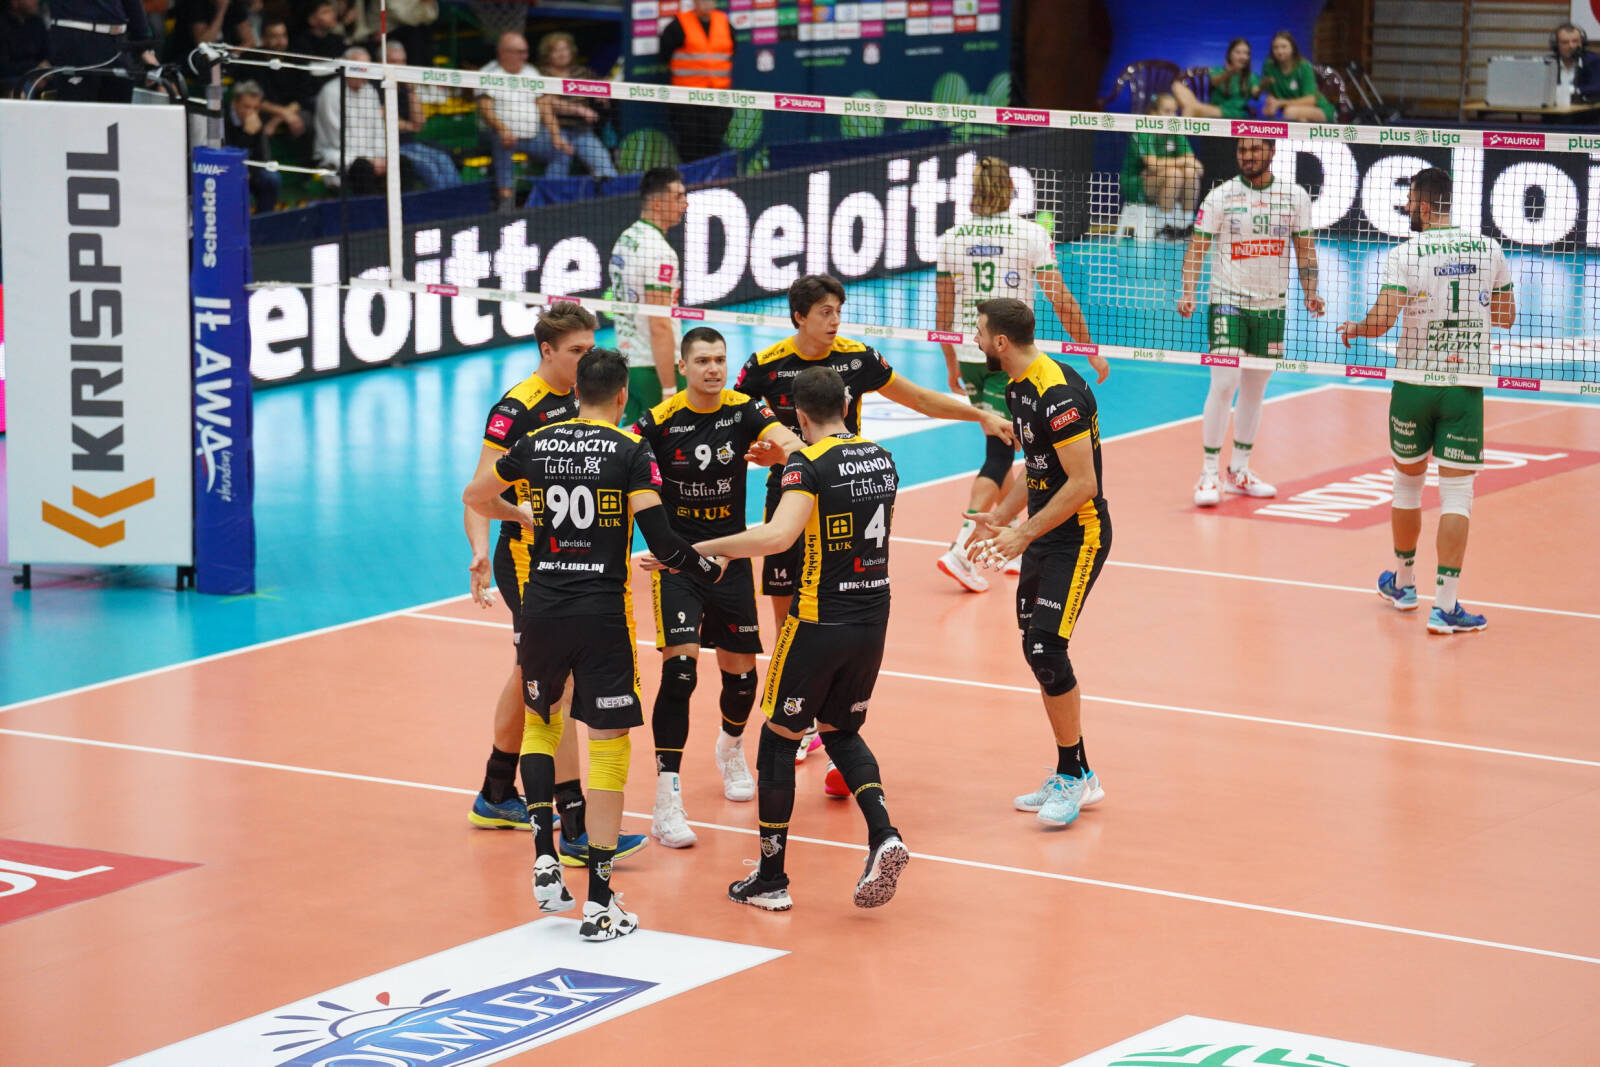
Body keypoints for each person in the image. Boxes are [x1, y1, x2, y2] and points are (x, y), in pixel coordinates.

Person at [463, 347, 727, 941]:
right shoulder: (631, 450)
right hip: (601, 615)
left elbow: (475, 495)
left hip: (542, 608)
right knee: (608, 746)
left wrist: (520, 515)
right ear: (622, 397)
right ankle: (601, 903)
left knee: (543, 722)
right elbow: (661, 538)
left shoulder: (536, 443)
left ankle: (544, 857)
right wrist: (704, 568)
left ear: (576, 391)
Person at [734, 274, 1014, 768]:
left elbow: (919, 398)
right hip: (789, 493)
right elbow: (740, 424)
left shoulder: (857, 357)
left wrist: (980, 416)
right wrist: (761, 452)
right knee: (786, 611)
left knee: (840, 608)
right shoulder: (765, 366)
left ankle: (835, 725)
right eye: (825, 312)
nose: (835, 321)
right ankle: (798, 715)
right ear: (799, 316)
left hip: (845, 495)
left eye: (838, 311)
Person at [673, 366, 908, 912]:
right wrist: (788, 460)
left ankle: (771, 879)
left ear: (798, 415)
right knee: (840, 730)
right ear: (846, 405)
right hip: (873, 617)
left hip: (818, 620)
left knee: (778, 740)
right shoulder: (881, 457)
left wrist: (700, 549)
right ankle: (884, 835)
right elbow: (836, 472)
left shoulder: (807, 466)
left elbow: (779, 535)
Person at [461, 302, 647, 867]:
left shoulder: (588, 396)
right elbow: (479, 488)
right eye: (576, 350)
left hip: (578, 565)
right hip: (530, 565)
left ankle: (497, 792)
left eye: (591, 348)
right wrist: (483, 547)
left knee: (530, 675)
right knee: (554, 688)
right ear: (547, 351)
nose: (587, 357)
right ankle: (573, 824)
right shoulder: (518, 408)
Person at [631, 327, 804, 847]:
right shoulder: (659, 421)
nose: (713, 368)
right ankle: (667, 799)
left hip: (731, 557)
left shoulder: (743, 409)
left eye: (720, 360)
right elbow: (620, 461)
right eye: (703, 360)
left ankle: (730, 747)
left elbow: (792, 442)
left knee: (743, 680)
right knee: (680, 674)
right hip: (679, 564)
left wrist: (786, 455)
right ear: (683, 367)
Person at [1339, 168, 1515, 635]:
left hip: (1413, 386)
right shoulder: (1489, 249)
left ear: (1423, 204)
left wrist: (1356, 328)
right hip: (1463, 387)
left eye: (1409, 203)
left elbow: (1381, 322)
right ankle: (1446, 606)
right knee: (1457, 496)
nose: (1406, 210)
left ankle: (1403, 585)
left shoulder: (1405, 254)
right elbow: (1505, 316)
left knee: (1407, 487)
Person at [965, 298, 1110, 829]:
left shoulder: (1056, 392)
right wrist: (1000, 518)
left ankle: (1073, 776)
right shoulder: (1016, 386)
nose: (975, 339)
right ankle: (1078, 771)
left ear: (1001, 342)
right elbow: (1036, 467)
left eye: (980, 331)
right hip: (1045, 533)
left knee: (1048, 648)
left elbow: (1083, 483)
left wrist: (1022, 534)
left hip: (1079, 535)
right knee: (1036, 649)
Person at [935, 156, 1105, 595]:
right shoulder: (1030, 234)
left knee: (1011, 448)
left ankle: (1004, 538)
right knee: (1000, 453)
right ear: (1011, 190)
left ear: (974, 190)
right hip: (1010, 356)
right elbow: (1060, 298)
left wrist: (951, 364)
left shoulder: (952, 238)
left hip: (974, 353)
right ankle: (960, 550)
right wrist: (1090, 349)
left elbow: (943, 312)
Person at [1178, 137, 1323, 506]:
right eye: (1242, 150)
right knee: (1225, 382)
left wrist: (1311, 291)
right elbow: (1197, 247)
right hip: (1228, 301)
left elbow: (1305, 250)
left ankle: (1239, 470)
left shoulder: (1294, 197)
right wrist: (1188, 290)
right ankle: (1209, 472)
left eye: (1256, 150)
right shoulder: (1221, 196)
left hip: (1272, 306)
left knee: (1256, 389)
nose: (1248, 156)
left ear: (1272, 152)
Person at [610, 167, 689, 427]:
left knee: (632, 442)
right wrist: (669, 388)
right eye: (678, 197)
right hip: (655, 368)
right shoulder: (660, 253)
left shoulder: (625, 239)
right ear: (657, 203)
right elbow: (659, 324)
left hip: (627, 364)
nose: (685, 203)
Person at [477, 31, 572, 211]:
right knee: (502, 142)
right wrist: (502, 129)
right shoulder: (489, 73)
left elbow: (544, 106)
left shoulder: (531, 72)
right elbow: (485, 109)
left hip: (533, 135)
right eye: (520, 52)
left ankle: (550, 198)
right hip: (498, 133)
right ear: (503, 53)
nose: (525, 57)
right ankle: (505, 202)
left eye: (526, 52)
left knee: (562, 150)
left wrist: (556, 136)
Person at [536, 31, 619, 180]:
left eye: (565, 49)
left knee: (605, 166)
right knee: (560, 159)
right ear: (547, 54)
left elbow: (600, 85)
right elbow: (547, 101)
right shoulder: (540, 74)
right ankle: (553, 194)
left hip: (582, 131)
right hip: (553, 130)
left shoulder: (582, 72)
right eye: (556, 50)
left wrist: (601, 94)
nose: (562, 54)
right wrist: (579, 110)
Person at [1120, 93, 1204, 236]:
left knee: (1190, 173)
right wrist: (1181, 162)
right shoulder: (1143, 132)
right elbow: (1153, 165)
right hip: (1135, 184)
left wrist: (1162, 167)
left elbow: (1198, 168)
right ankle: (1164, 226)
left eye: (1174, 112)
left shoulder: (1175, 132)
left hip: (1163, 181)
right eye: (1167, 111)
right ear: (1153, 113)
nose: (1172, 116)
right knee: (1174, 174)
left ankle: (1187, 223)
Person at [385, 40, 462, 190]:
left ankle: (457, 198)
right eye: (394, 61)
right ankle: (439, 201)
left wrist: (411, 90)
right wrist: (411, 126)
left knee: (443, 159)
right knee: (429, 166)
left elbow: (420, 124)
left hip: (409, 143)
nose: (399, 66)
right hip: (388, 147)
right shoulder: (375, 87)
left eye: (403, 61)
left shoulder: (406, 87)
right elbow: (387, 121)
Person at [662, 0, 733, 161]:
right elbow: (665, 54)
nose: (706, 3)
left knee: (714, 144)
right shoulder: (678, 25)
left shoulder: (724, 22)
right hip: (687, 100)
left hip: (717, 98)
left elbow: (731, 50)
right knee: (690, 145)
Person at [43, 0, 151, 103]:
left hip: (117, 40)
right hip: (77, 34)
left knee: (117, 110)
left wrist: (143, 43)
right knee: (78, 107)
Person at [313, 46, 386, 195]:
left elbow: (379, 129)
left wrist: (380, 156)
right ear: (346, 68)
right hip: (336, 155)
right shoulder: (330, 92)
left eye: (366, 70)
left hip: (370, 156)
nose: (363, 75)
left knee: (401, 163)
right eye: (359, 70)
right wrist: (372, 160)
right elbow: (337, 139)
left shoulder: (370, 91)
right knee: (363, 167)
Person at [224, 81, 280, 214]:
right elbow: (228, 156)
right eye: (246, 107)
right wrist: (247, 133)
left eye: (255, 108)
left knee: (271, 178)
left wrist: (250, 172)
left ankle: (264, 219)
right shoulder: (223, 119)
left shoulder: (256, 119)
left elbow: (263, 157)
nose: (251, 112)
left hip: (250, 171)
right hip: (227, 171)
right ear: (235, 103)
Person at [252, 19, 310, 141]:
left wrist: (278, 119)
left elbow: (302, 98)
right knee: (254, 120)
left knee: (305, 119)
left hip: (292, 111)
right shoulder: (252, 60)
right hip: (264, 110)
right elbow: (253, 99)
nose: (281, 41)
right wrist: (283, 114)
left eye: (283, 35)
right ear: (263, 39)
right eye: (274, 36)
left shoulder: (296, 59)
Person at [1258, 31, 1334, 123]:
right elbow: (1270, 94)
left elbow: (1310, 100)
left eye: (1284, 47)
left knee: (1290, 112)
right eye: (1275, 48)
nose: (1280, 51)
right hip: (1293, 112)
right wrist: (1270, 103)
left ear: (1293, 48)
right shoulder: (1269, 66)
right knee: (1295, 118)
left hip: (1319, 108)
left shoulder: (1304, 66)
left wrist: (1280, 103)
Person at [1171, 37, 1256, 119]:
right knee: (1177, 86)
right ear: (1229, 54)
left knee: (1191, 109)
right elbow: (1214, 82)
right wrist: (1229, 72)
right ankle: (1190, 110)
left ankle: (1183, 126)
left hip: (1234, 113)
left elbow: (1256, 93)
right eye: (1238, 52)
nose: (1243, 56)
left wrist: (1262, 85)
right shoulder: (1218, 71)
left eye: (1246, 53)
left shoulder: (1251, 77)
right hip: (1213, 108)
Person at [164, 0, 255, 67]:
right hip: (192, 58)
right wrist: (221, 11)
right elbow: (203, 43)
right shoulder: (195, 5)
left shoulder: (235, 5)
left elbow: (249, 41)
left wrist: (231, 55)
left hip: (225, 61)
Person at [0, 0, 50, 98]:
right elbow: (3, 67)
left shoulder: (37, 23)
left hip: (37, 76)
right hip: (8, 78)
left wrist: (42, 74)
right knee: (21, 91)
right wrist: (34, 68)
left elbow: (46, 54)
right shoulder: (3, 25)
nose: (36, 1)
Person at [1551, 22, 1600, 109]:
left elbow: (1597, 87)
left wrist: (1574, 90)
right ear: (1556, 45)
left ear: (1582, 42)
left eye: (1575, 41)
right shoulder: (1549, 63)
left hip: (1584, 114)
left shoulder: (1592, 60)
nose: (1571, 46)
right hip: (1554, 113)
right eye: (1565, 42)